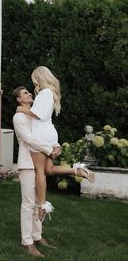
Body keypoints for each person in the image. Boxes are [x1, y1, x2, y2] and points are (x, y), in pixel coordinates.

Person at [17, 66, 95, 222]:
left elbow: (38, 115)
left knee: (40, 171)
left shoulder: (45, 93)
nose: (35, 84)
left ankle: (41, 206)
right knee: (49, 169)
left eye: (35, 80)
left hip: (41, 134)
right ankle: (78, 171)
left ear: (39, 78)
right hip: (50, 134)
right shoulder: (50, 93)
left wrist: (21, 109)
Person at [12, 86, 59, 258]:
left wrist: (56, 146)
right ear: (19, 100)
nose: (29, 94)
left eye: (28, 92)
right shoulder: (18, 117)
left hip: (39, 163)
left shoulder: (36, 115)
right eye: (25, 93)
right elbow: (30, 139)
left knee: (40, 201)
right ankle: (27, 242)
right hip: (27, 164)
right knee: (28, 203)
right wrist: (49, 149)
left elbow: (46, 133)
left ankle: (37, 236)